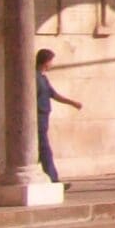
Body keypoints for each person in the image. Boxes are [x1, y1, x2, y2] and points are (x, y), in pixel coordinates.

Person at [35, 48, 82, 184]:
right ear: (45, 62)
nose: (52, 64)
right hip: (38, 118)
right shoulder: (36, 78)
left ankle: (44, 177)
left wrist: (72, 102)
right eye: (51, 61)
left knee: (41, 150)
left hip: (43, 117)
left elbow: (53, 94)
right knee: (45, 149)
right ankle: (53, 179)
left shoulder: (43, 78)